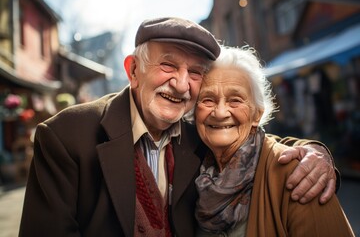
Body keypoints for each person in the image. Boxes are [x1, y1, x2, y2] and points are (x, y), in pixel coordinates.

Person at [19, 17, 337, 237]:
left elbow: (249, 139)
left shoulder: (197, 133)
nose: (181, 84)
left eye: (195, 72)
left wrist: (312, 151)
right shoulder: (66, 136)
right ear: (133, 70)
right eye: (168, 65)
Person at [194, 45, 354, 237]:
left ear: (257, 114)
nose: (220, 113)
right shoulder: (194, 166)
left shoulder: (300, 174)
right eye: (208, 100)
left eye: (235, 100)